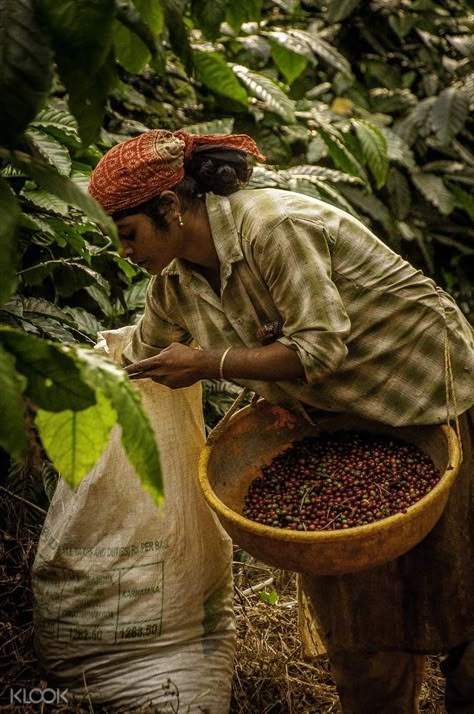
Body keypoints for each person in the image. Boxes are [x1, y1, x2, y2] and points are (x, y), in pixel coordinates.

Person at [89, 129, 474, 713]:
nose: (125, 252)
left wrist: (209, 362)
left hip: (423, 392)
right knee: (359, 615)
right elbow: (136, 353)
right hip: (333, 421)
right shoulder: (175, 281)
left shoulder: (273, 229)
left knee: (458, 587)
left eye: (128, 235)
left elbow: (319, 350)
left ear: (169, 207)